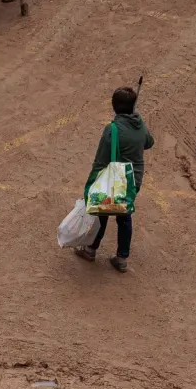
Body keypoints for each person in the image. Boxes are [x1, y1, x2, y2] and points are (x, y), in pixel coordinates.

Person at [76, 86, 154, 272]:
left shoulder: (112, 129)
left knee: (102, 214)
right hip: (133, 180)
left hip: (114, 179)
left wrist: (90, 185)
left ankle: (91, 249)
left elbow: (100, 161)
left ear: (114, 106)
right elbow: (149, 142)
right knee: (124, 216)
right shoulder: (140, 125)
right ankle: (121, 257)